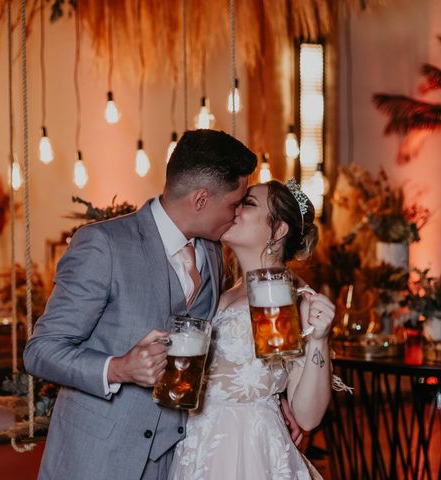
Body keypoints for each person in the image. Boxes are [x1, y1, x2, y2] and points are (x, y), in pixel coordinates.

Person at [23, 129, 256, 480]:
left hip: (176, 459)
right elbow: (40, 351)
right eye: (234, 204)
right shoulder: (103, 245)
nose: (237, 215)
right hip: (96, 459)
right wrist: (118, 368)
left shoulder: (213, 252)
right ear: (200, 199)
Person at [168, 179, 336, 479]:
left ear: (279, 230)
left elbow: (308, 417)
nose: (234, 208)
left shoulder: (290, 297)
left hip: (249, 448)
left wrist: (319, 341)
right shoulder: (219, 291)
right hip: (196, 445)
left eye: (247, 204)